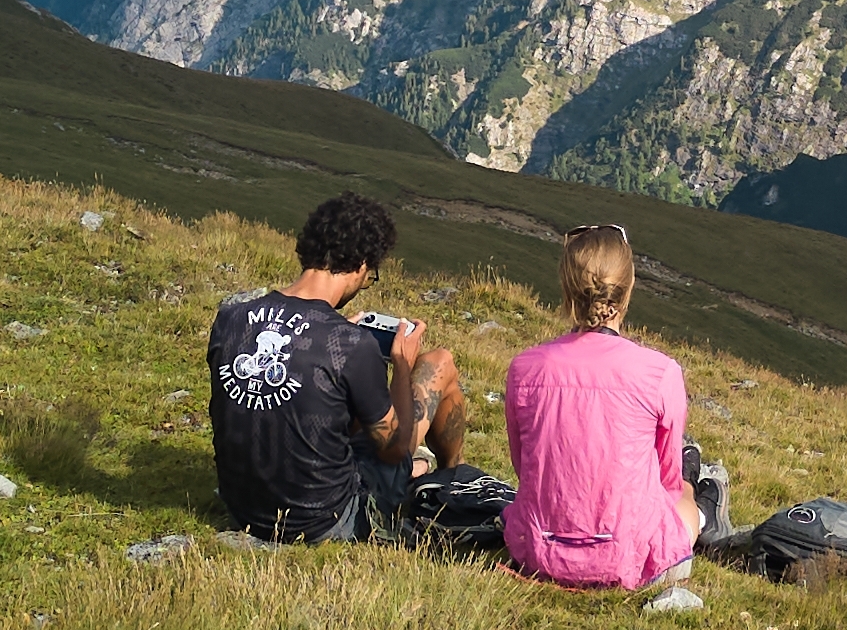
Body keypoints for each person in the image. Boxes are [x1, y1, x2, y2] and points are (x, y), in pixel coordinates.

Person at [208, 192, 467, 544]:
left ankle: (425, 470)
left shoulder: (231, 318)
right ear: (361, 265)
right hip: (323, 521)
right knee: (440, 364)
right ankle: (451, 476)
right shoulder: (349, 343)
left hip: (244, 509)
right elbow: (394, 449)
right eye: (370, 275)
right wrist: (402, 366)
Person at [500, 224, 724, 589]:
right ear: (628, 288)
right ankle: (708, 511)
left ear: (567, 288)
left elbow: (524, 464)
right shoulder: (660, 372)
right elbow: (666, 479)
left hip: (538, 551)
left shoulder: (524, 368)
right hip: (630, 559)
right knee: (683, 490)